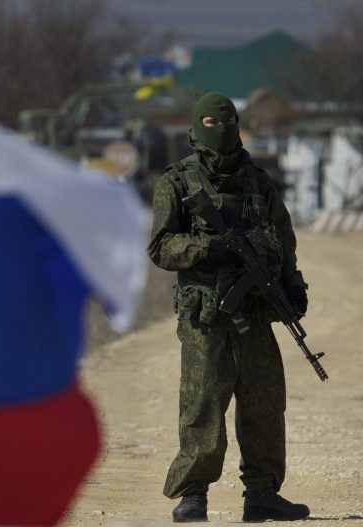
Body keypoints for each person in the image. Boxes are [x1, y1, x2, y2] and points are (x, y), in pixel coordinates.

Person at [147, 92, 310, 523]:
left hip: (255, 313)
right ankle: (193, 495)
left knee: (264, 404)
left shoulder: (258, 181)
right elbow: (161, 247)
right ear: (198, 129)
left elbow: (283, 240)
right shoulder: (178, 182)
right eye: (212, 124)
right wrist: (207, 249)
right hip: (205, 317)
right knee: (202, 406)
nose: (222, 132)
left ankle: (261, 494)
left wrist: (293, 288)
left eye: (229, 122)